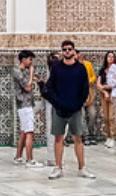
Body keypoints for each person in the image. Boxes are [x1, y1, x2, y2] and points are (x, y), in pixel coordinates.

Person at [41, 40, 96, 180]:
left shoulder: (80, 68)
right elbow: (50, 88)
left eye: (69, 49)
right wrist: (57, 103)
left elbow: (84, 89)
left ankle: (82, 167)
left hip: (75, 109)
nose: (67, 52)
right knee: (58, 138)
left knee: (78, 138)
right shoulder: (57, 68)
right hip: (59, 108)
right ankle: (58, 167)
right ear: (62, 52)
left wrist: (77, 104)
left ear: (73, 51)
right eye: (64, 49)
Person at [13, 50, 41, 166]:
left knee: (24, 131)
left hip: (26, 104)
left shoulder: (22, 71)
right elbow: (27, 87)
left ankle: (18, 156)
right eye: (30, 59)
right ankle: (30, 159)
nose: (31, 62)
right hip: (24, 105)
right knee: (29, 132)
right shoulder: (17, 71)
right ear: (23, 60)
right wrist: (31, 74)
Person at [77, 50, 98, 146]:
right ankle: (85, 136)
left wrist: (89, 81)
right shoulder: (73, 67)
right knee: (81, 117)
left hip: (89, 93)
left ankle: (92, 135)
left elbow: (93, 76)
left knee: (92, 114)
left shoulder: (88, 64)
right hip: (78, 95)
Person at [97, 51, 116, 149]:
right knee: (105, 117)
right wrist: (104, 91)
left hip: (113, 94)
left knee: (111, 117)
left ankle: (113, 137)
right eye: (109, 56)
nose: (111, 58)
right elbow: (98, 83)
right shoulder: (102, 70)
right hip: (104, 95)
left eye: (112, 57)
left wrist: (106, 88)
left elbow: (115, 83)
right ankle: (108, 136)